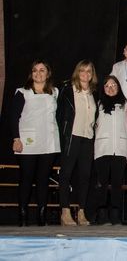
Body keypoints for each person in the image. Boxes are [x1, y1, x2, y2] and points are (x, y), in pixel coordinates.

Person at [11, 61, 60, 226]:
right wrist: (16, 138)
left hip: (49, 142)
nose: (38, 73)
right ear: (31, 74)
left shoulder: (55, 92)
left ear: (48, 73)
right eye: (35, 70)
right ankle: (22, 215)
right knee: (26, 178)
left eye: (42, 70)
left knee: (43, 179)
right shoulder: (22, 92)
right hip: (28, 142)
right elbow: (13, 117)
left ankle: (42, 216)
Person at [56, 60, 99, 226]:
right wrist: (62, 136)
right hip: (71, 137)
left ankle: (81, 211)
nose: (85, 74)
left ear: (92, 74)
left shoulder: (94, 93)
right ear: (77, 72)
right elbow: (59, 116)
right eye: (82, 70)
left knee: (85, 176)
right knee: (66, 174)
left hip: (87, 138)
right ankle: (65, 211)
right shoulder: (67, 90)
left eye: (89, 71)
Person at [91, 76, 127, 225]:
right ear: (103, 89)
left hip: (120, 149)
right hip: (102, 148)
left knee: (117, 184)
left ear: (118, 87)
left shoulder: (126, 105)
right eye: (107, 86)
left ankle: (115, 214)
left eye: (113, 85)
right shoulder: (97, 105)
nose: (110, 88)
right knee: (102, 183)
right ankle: (101, 213)